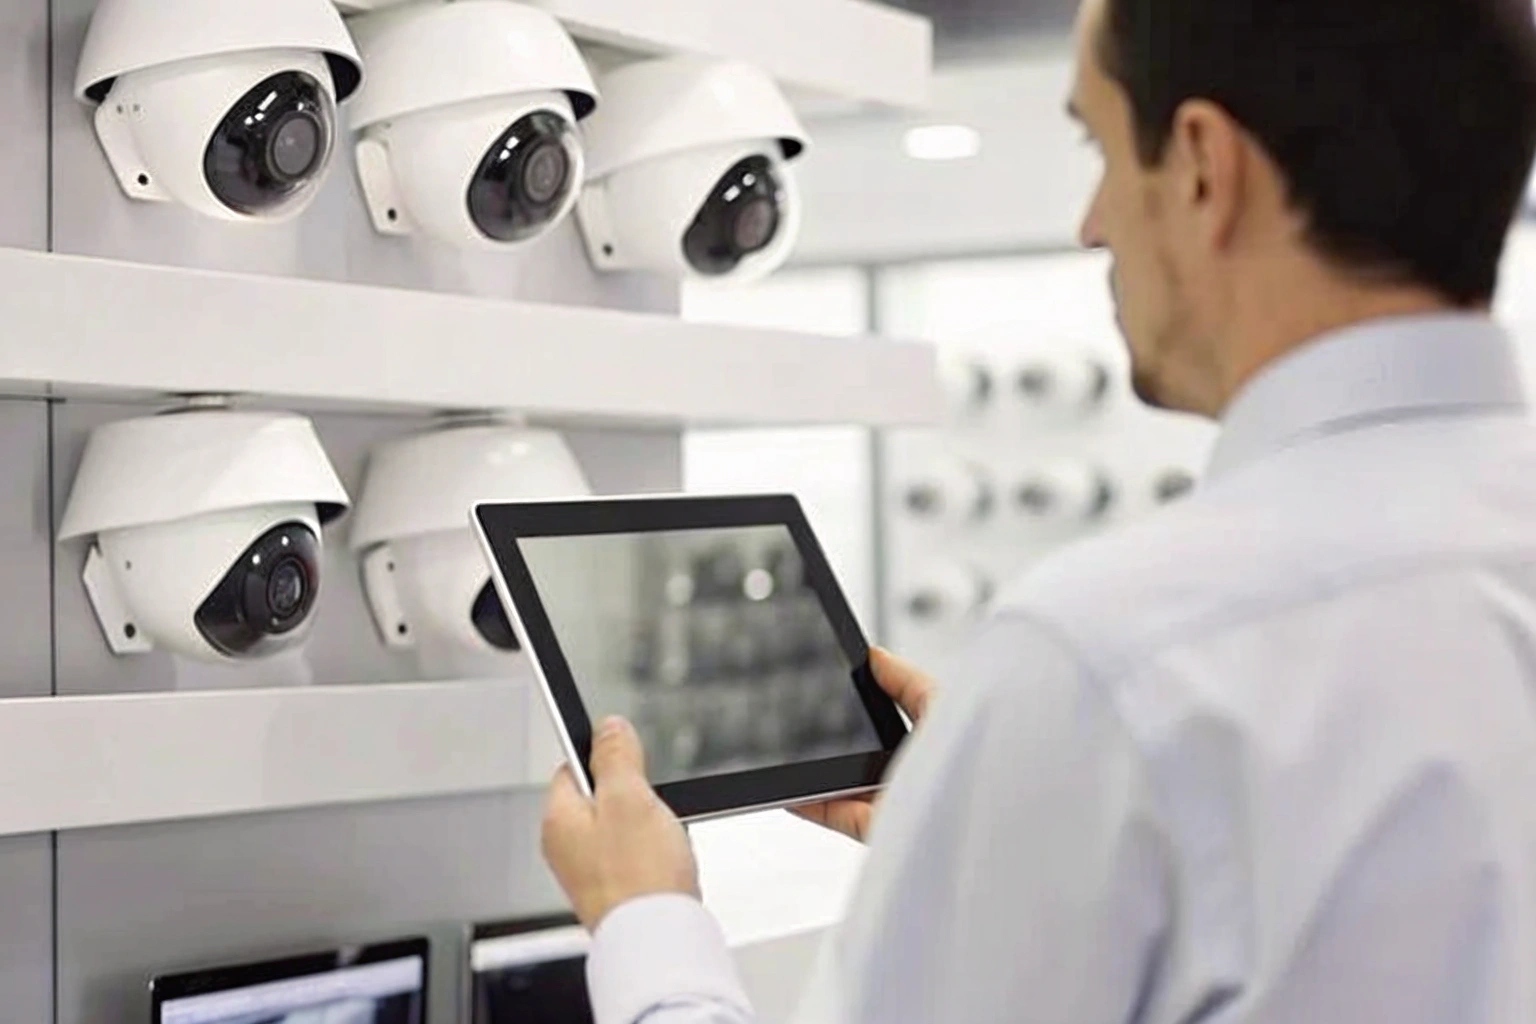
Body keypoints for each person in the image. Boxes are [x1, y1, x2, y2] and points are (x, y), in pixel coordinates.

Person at [542, 0, 1536, 1019]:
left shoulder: (1116, 659)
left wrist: (645, 920)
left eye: (1100, 150)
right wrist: (1011, 819)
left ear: (1203, 167)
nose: (1091, 224)